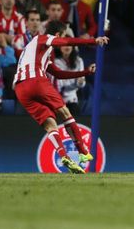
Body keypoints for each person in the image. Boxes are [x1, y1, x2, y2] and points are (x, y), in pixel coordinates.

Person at [14, 19, 108, 173]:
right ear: (57, 34)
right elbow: (64, 41)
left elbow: (58, 73)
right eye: (61, 36)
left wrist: (85, 72)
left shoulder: (38, 51)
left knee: (50, 123)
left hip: (21, 89)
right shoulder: (42, 38)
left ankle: (64, 156)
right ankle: (83, 152)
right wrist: (93, 41)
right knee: (65, 113)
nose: (63, 42)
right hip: (35, 80)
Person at [54, 31, 86, 116]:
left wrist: (80, 82)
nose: (67, 47)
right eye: (64, 44)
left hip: (72, 101)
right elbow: (59, 86)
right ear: (60, 47)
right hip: (57, 102)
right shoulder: (55, 62)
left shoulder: (79, 61)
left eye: (69, 44)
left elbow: (82, 84)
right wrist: (75, 83)